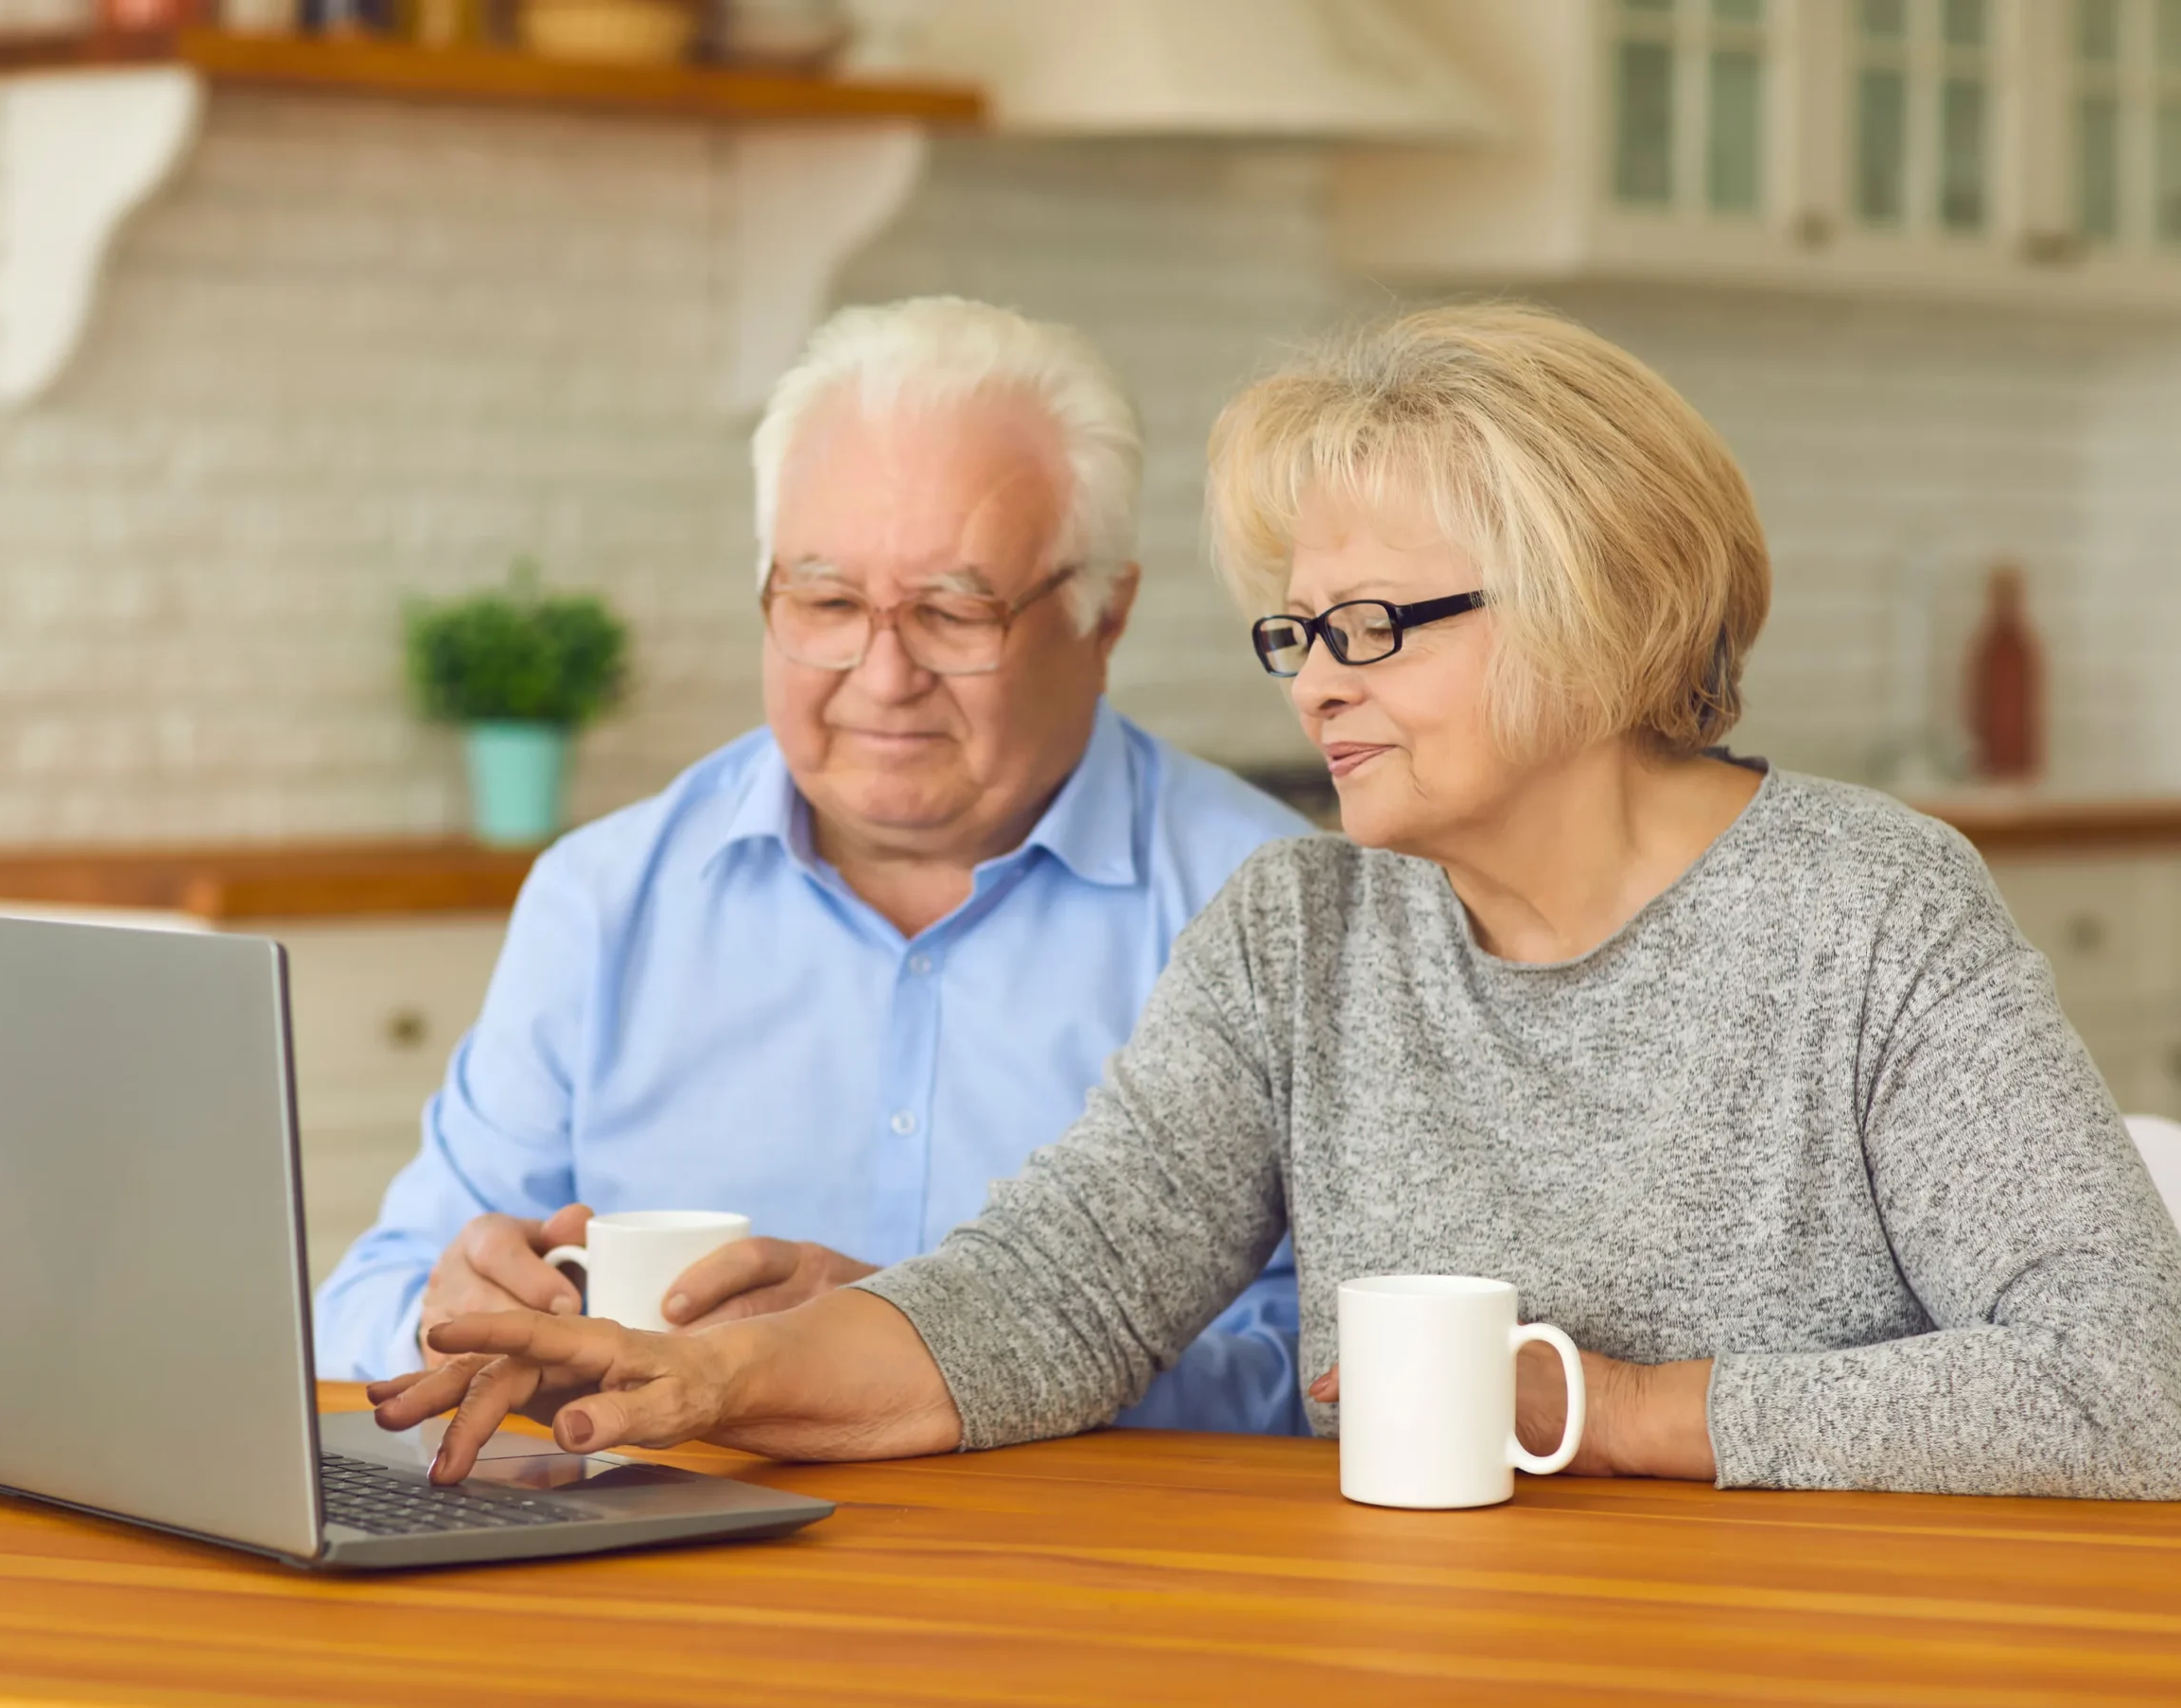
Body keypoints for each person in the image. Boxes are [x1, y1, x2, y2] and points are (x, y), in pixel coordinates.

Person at [371, 301, 2181, 1499]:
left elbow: (2130, 1378)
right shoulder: (1303, 929)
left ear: (1599, 610)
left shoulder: (1866, 913)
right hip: (1409, 1684)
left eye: (1376, 628)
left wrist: (1608, 1407)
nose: (1316, 683)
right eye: (1300, 631)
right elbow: (1059, 1288)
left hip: (1833, 1695)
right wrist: (707, 1382)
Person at [314, 296, 1316, 1435]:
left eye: (953, 611)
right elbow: (358, 1310)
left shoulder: (1274, 916)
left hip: (1092, 1588)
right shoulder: (605, 899)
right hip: (661, 1580)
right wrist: (455, 1315)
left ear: (1105, 617)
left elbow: (1335, 1381)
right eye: (829, 601)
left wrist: (928, 1354)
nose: (881, 676)